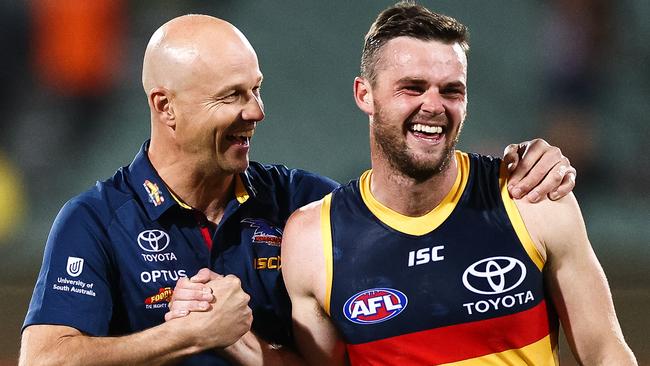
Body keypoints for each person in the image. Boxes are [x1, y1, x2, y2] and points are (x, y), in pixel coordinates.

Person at [20, 13, 577, 366]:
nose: (256, 112)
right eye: (232, 96)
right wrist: (184, 336)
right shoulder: (94, 220)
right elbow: (44, 360)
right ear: (165, 107)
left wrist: (515, 168)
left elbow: (415, 221)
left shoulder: (303, 207)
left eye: (257, 89)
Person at [279, 2, 638, 366]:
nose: (434, 105)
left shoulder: (530, 197)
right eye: (413, 88)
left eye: (451, 90)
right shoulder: (313, 242)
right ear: (364, 95)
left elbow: (605, 351)